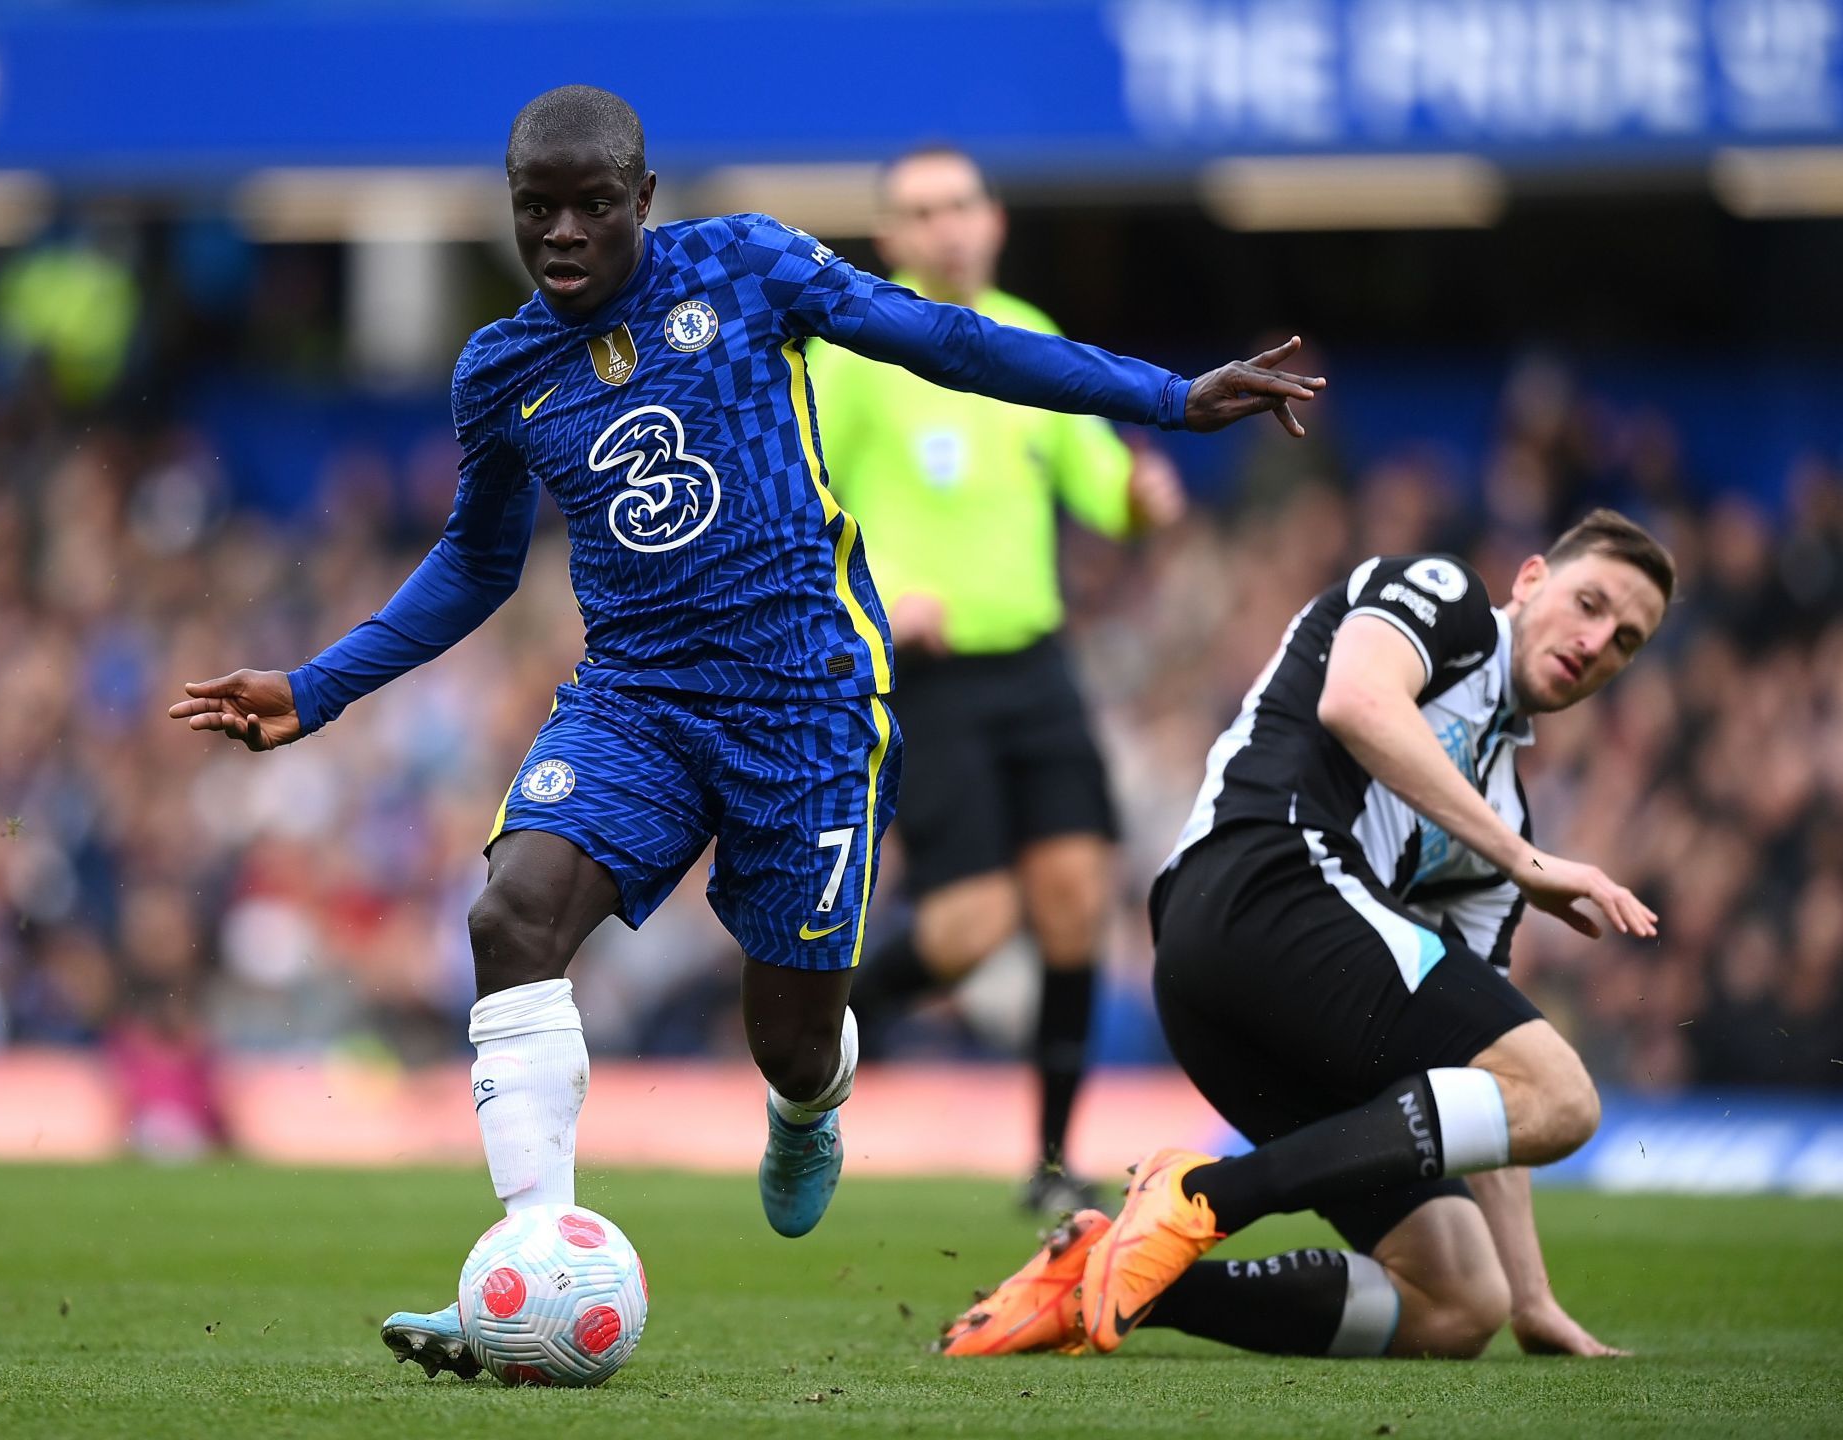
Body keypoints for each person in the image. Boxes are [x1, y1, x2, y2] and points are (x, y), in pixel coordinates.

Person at [165, 84, 1327, 1380]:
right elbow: (476, 566)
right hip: (638, 701)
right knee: (512, 916)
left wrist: (1165, 397)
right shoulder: (500, 371)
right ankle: (529, 1261)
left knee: (786, 1035)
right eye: (532, 209)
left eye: (589, 205)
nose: (559, 232)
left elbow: (946, 338)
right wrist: (317, 688)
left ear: (643, 201)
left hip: (810, 704)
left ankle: (807, 1100)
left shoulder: (746, 265)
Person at [942, 510, 1673, 1361]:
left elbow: (1490, 1076)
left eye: (1626, 640)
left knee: (1460, 1301)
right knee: (1571, 1098)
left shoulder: (1500, 811)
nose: (1598, 642)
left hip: (1246, 997)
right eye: (1589, 604)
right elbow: (1355, 699)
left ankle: (1100, 1280)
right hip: (1260, 877)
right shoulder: (1449, 600)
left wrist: (1531, 1297)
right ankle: (1208, 1195)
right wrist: (1523, 860)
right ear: (1531, 578)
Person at [810, 146, 1185, 1213]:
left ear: (996, 218)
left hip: (1035, 663)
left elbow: (1098, 477)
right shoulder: (857, 351)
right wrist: (877, 597)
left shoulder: (1029, 337)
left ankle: (1055, 1167)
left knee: (1075, 906)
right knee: (970, 930)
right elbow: (797, 496)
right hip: (925, 676)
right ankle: (820, 1040)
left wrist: (1142, 496)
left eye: (960, 205)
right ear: (891, 239)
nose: (945, 227)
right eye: (920, 212)